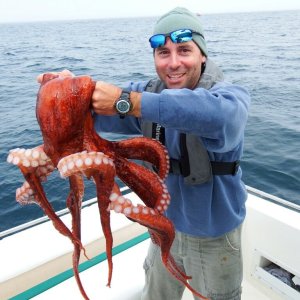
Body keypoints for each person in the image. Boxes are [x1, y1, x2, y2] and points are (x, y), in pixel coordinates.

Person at [42, 7, 250, 300]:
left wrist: (128, 102)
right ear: (154, 58)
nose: (174, 63)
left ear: (202, 55)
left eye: (184, 50)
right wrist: (66, 92)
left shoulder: (229, 96)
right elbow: (94, 111)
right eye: (163, 53)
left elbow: (219, 119)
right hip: (163, 229)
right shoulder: (145, 94)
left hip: (215, 235)